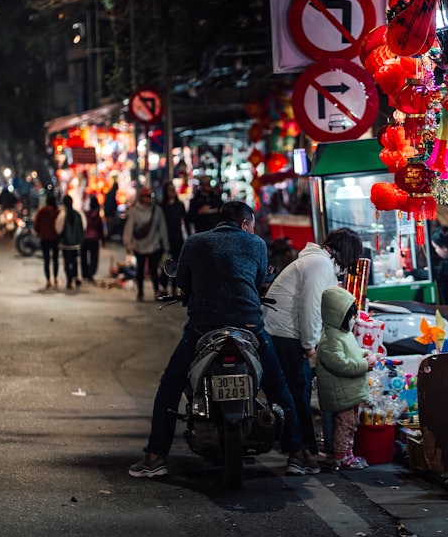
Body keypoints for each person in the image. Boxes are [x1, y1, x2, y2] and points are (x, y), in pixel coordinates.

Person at [129, 201, 320, 478]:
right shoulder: (256, 245)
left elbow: (183, 282)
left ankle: (155, 456)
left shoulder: (194, 242)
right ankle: (298, 454)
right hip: (249, 325)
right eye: (251, 225)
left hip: (203, 328)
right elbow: (256, 283)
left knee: (170, 387)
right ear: (245, 224)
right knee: (279, 388)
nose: (252, 230)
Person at [263, 227, 363, 456]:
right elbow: (310, 307)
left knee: (297, 390)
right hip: (285, 334)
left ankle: (301, 446)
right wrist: (309, 344)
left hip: (282, 332)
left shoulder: (318, 262)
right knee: (298, 390)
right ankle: (302, 450)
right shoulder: (319, 264)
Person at [315, 286, 378, 470]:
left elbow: (353, 352)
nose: (353, 320)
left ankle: (348, 453)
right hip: (340, 393)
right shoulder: (329, 340)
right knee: (344, 425)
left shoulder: (344, 334)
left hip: (349, 391)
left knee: (351, 424)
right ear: (338, 316)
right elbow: (341, 364)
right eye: (350, 316)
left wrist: (365, 353)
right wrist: (366, 364)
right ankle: (341, 457)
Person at [123, 187, 168, 301]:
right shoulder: (134, 211)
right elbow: (129, 228)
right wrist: (127, 244)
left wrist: (166, 244)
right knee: (140, 269)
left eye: (150, 196)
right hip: (139, 245)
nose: (149, 199)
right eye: (146, 196)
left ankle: (156, 291)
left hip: (154, 244)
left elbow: (162, 228)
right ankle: (141, 292)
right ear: (141, 198)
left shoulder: (157, 211)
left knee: (153, 269)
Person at [157, 182, 188, 296]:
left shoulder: (179, 205)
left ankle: (174, 288)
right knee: (165, 264)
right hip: (164, 239)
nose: (171, 192)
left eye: (172, 189)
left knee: (175, 265)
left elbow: (186, 221)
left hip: (177, 239)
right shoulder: (161, 206)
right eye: (169, 190)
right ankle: (164, 287)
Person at [56, 194, 86, 290]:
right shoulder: (78, 214)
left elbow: (58, 229)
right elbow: (84, 226)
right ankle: (76, 276)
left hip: (66, 244)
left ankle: (69, 281)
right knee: (75, 260)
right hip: (76, 244)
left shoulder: (63, 215)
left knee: (67, 262)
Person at [34, 191, 61, 289]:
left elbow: (36, 226)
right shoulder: (58, 212)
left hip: (44, 239)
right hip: (55, 239)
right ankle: (56, 278)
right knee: (55, 260)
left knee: (46, 260)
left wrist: (40, 232)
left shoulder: (42, 212)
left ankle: (48, 280)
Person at [81, 195, 104, 283]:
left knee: (84, 257)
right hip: (94, 239)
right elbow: (100, 229)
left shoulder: (85, 214)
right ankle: (91, 273)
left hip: (84, 238)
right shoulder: (97, 217)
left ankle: (85, 273)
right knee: (94, 257)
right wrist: (102, 239)